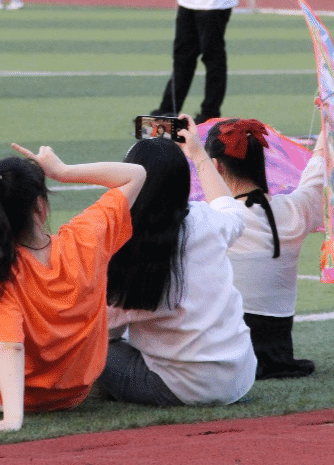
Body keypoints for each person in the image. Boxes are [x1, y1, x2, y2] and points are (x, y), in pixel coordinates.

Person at [0, 144, 145, 433]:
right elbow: (136, 174)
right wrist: (63, 172)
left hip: (21, 398)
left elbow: (10, 346)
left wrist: (12, 419)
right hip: (76, 392)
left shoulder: (2, 273)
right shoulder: (85, 239)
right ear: (41, 207)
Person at [100, 116, 257, 406]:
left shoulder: (126, 243)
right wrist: (197, 153)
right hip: (238, 378)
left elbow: (102, 331)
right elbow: (232, 210)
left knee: (85, 346)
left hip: (176, 387)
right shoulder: (207, 219)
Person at [205, 117, 325, 379]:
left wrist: (192, 153)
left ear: (216, 166)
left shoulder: (213, 219)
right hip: (278, 353)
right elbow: (318, 171)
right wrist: (329, 122)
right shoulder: (296, 208)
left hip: (228, 352)